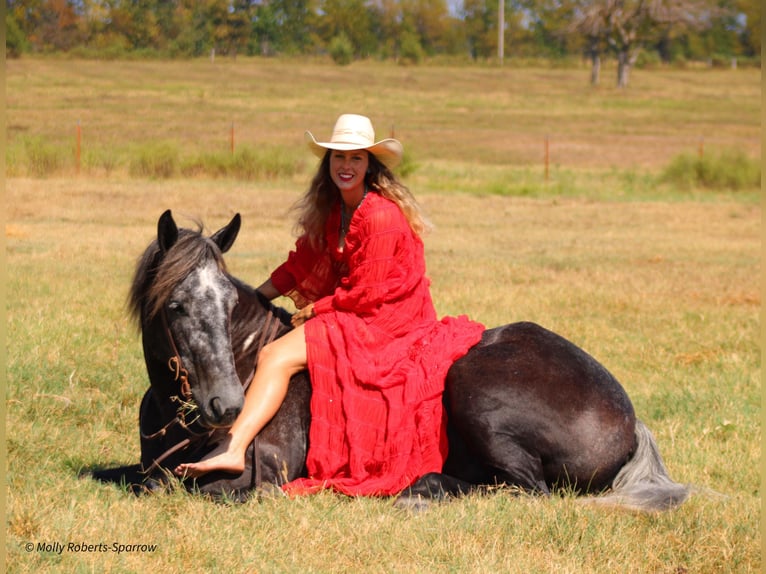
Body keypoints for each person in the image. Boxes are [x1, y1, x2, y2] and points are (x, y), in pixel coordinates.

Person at [174, 114, 485, 496]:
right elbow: (300, 266)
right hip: (358, 308)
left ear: (369, 164)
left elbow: (368, 293)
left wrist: (315, 311)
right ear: (329, 164)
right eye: (339, 157)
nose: (346, 166)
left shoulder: (380, 215)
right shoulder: (335, 211)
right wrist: (250, 299)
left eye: (356, 158)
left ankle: (234, 449)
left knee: (274, 355)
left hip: (386, 319)